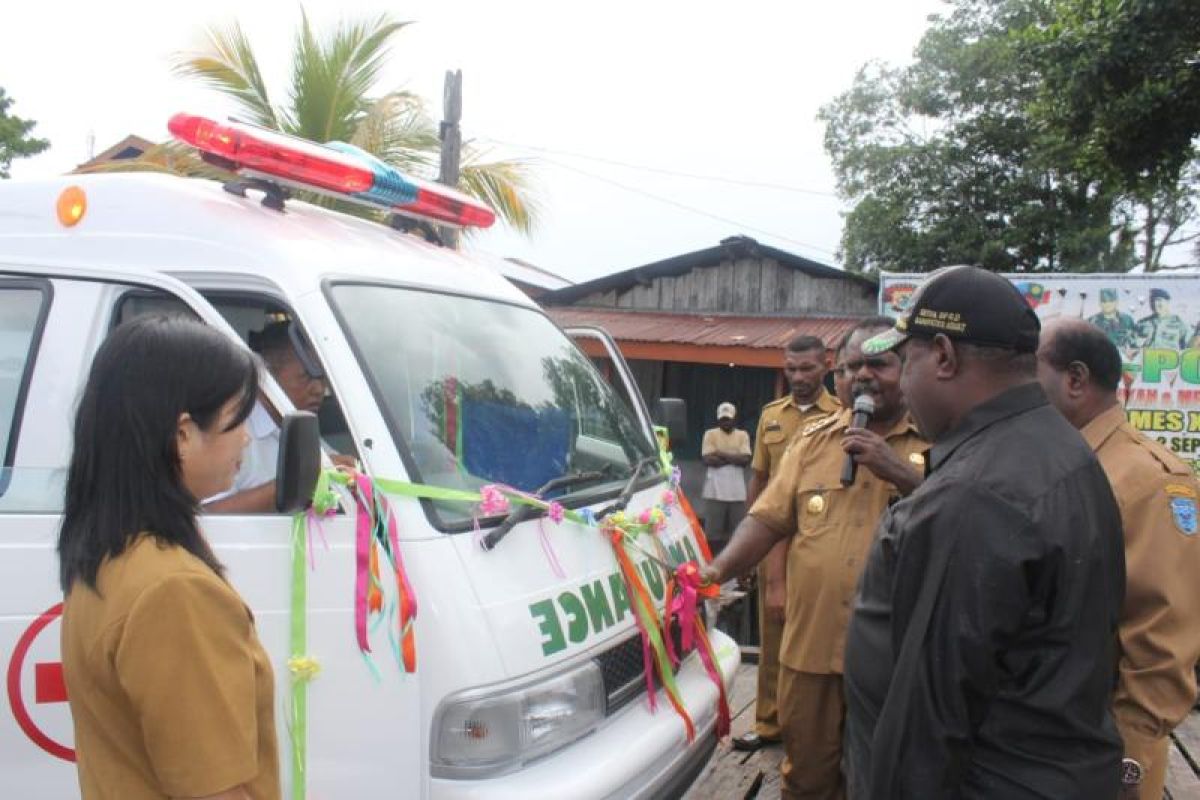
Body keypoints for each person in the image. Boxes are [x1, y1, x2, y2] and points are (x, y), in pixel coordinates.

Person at [845, 266, 1125, 799]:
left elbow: (931, 714)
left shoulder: (973, 495)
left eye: (908, 362)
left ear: (945, 357)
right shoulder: (1063, 452)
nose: (903, 383)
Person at [702, 318, 926, 798]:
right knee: (807, 777)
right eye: (852, 367)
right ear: (838, 376)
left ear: (908, 368)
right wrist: (718, 570)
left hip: (898, 658)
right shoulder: (812, 440)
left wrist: (899, 472)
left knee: (888, 780)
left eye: (878, 364)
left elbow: (967, 524)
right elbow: (767, 520)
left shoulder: (942, 440)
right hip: (813, 651)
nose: (863, 375)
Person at [58, 315, 280, 800]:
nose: (246, 438)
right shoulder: (173, 590)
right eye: (234, 420)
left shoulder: (109, 555)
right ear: (182, 435)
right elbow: (215, 790)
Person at [1038, 318, 1200, 800]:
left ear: (1076, 380)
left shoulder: (1149, 480)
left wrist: (1128, 758)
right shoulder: (1056, 462)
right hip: (1047, 736)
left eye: (1031, 372)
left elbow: (1162, 638)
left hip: (1103, 753)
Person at [733, 334, 841, 754]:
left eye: (807, 369)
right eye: (791, 369)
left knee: (819, 637)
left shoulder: (843, 414)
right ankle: (768, 723)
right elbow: (759, 482)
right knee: (773, 637)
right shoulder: (770, 416)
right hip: (774, 541)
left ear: (826, 365)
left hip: (824, 540)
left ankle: (813, 731)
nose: (797, 377)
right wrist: (747, 547)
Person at [207, 319, 349, 513]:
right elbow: (209, 516)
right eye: (305, 377)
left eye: (322, 379)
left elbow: (331, 466)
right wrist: (298, 483)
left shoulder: (299, 428)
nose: (318, 389)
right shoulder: (231, 430)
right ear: (267, 377)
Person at [700, 402, 752, 554]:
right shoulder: (710, 434)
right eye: (723, 419)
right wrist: (734, 457)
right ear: (718, 419)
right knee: (712, 533)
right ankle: (712, 559)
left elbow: (745, 460)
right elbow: (708, 460)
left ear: (734, 419)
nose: (726, 422)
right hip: (714, 491)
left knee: (737, 531)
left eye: (728, 419)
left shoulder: (742, 435)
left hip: (737, 493)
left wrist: (720, 453)